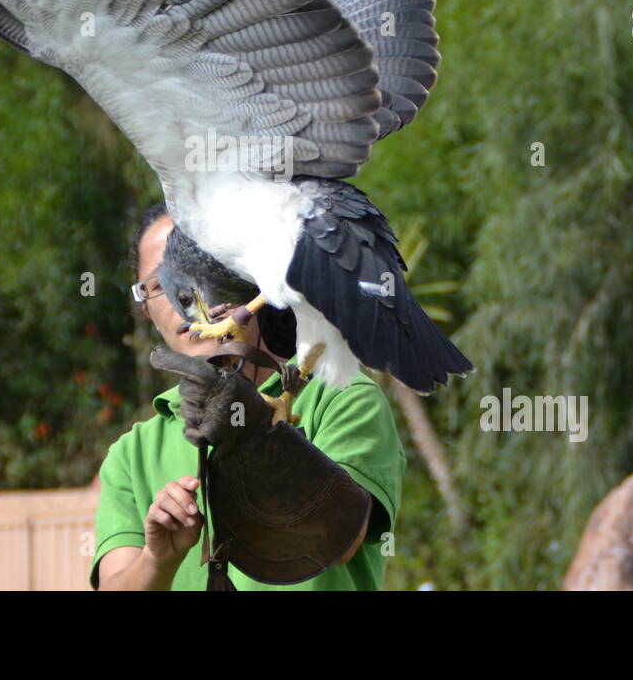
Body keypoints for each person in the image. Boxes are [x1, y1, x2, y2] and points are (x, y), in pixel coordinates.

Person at [90, 201, 407, 590]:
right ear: (145, 309)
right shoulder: (132, 453)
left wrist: (253, 433)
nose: (182, 299)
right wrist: (159, 559)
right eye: (158, 285)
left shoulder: (340, 398)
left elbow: (340, 540)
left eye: (202, 268)